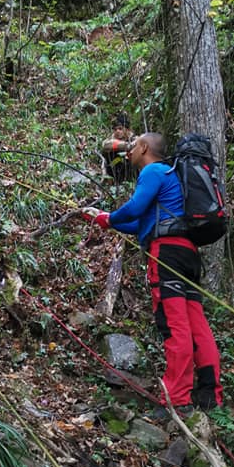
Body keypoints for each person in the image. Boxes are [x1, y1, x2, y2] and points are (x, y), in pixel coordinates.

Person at [83, 133, 222, 417]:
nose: (129, 150)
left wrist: (107, 218)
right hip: (186, 255)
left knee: (174, 324)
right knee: (196, 324)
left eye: (133, 145)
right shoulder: (173, 179)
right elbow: (141, 222)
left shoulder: (153, 171)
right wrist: (104, 219)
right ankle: (210, 395)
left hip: (166, 254)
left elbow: (133, 208)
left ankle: (178, 399)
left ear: (144, 148)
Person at [101, 113, 137, 185]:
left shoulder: (134, 138)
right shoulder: (111, 139)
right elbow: (105, 146)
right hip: (115, 164)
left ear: (127, 129)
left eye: (120, 128)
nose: (117, 131)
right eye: (115, 129)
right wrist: (126, 146)